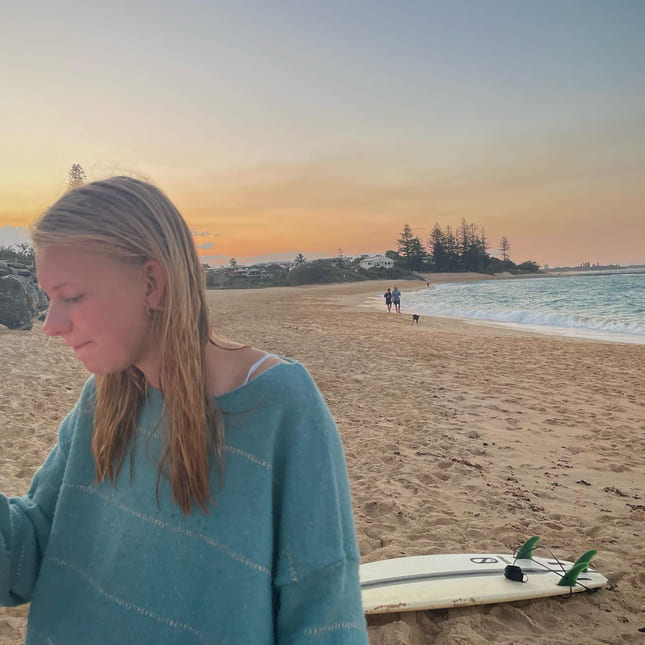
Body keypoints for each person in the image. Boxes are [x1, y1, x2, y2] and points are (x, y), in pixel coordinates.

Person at [0, 176, 368, 644]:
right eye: (50, 299)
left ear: (151, 282)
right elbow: (26, 554)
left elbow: (324, 614)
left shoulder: (279, 407)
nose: (51, 325)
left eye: (71, 297)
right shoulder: (102, 401)